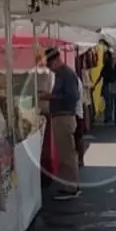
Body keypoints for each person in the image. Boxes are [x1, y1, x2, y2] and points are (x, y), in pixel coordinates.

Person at [42, 48, 81, 199]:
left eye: (50, 64)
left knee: (67, 154)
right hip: (61, 117)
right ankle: (68, 185)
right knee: (65, 153)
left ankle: (70, 188)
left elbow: (71, 96)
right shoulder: (61, 75)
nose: (50, 68)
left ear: (57, 60)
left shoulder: (66, 74)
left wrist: (50, 97)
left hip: (64, 117)